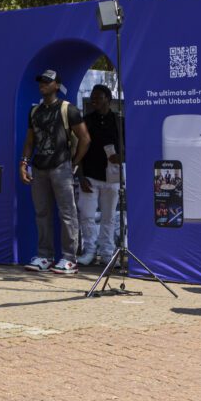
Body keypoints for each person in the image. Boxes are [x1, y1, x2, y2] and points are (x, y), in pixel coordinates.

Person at [20, 69, 91, 274]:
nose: (43, 84)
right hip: (40, 168)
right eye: (41, 81)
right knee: (42, 213)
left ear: (57, 86)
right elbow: (30, 141)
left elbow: (85, 139)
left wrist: (73, 163)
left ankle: (70, 259)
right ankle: (45, 256)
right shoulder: (35, 111)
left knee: (67, 213)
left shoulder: (68, 109)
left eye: (47, 81)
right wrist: (23, 163)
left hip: (61, 166)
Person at [76, 84, 123, 266]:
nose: (94, 99)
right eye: (92, 96)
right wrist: (80, 176)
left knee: (109, 217)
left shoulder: (119, 121)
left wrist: (121, 156)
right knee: (87, 215)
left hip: (112, 177)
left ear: (108, 99)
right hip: (90, 176)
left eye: (98, 96)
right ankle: (89, 251)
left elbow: (129, 148)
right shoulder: (85, 121)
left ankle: (107, 252)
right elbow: (77, 149)